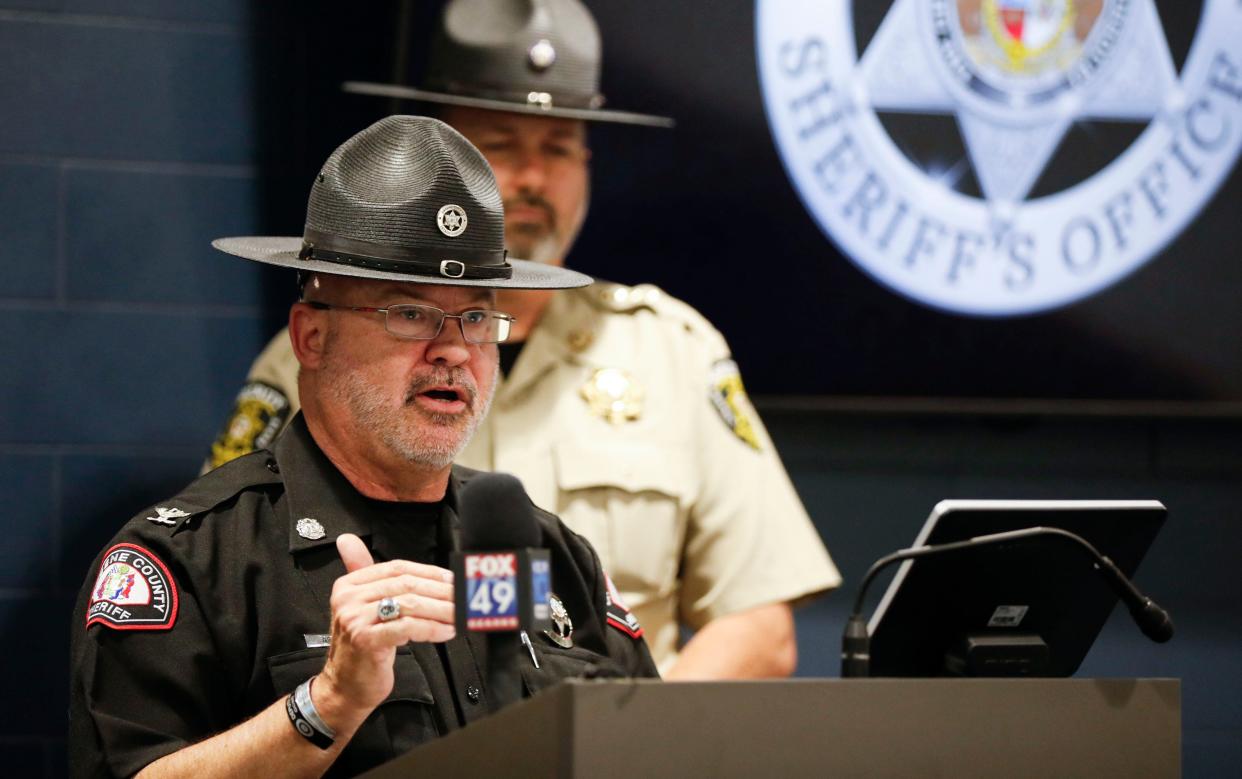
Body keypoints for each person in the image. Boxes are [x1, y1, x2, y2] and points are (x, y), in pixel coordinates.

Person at [206, 0, 841, 678]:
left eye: (559, 148)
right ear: (446, 158)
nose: (534, 177)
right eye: (500, 146)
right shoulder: (326, 354)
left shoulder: (672, 351)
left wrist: (619, 745)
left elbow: (760, 626)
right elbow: (227, 578)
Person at [70, 116, 657, 779]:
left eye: (476, 316)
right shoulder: (193, 561)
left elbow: (657, 750)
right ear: (310, 338)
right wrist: (326, 704)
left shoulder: (546, 553)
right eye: (409, 313)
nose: (454, 350)